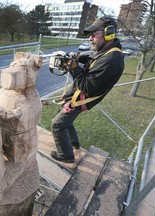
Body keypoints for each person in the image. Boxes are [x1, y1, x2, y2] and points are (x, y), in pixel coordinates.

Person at [50, 16, 125, 163]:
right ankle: (74, 143)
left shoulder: (112, 59)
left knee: (57, 125)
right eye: (89, 35)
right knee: (61, 113)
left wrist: (73, 68)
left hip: (84, 97)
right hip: (81, 93)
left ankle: (66, 156)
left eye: (94, 34)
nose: (90, 38)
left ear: (109, 32)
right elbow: (94, 60)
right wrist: (79, 58)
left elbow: (87, 87)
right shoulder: (108, 50)